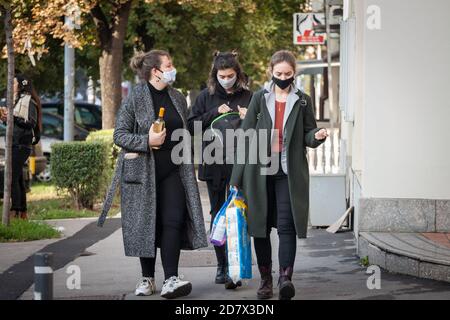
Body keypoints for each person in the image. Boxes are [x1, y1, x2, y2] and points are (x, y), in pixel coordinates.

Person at [98, 50, 208, 299]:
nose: (173, 68)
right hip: (143, 173)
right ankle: (147, 278)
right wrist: (146, 140)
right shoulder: (136, 98)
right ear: (155, 71)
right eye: (169, 65)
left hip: (174, 171)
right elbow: (120, 135)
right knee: (146, 224)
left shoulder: (177, 97)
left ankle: (171, 278)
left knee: (173, 221)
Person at [229, 50, 329, 300]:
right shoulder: (259, 99)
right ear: (271, 72)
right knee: (259, 227)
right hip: (259, 172)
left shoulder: (303, 100)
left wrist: (315, 137)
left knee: (287, 226)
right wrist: (236, 178)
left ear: (294, 73)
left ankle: (285, 278)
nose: (283, 78)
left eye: (287, 74)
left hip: (288, 171)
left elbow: (308, 133)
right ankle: (265, 280)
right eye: (278, 74)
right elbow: (246, 136)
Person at [187, 51, 252, 289]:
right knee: (218, 214)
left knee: (239, 215)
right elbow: (191, 125)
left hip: (241, 165)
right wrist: (215, 112)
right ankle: (222, 265)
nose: (227, 79)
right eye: (222, 75)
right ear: (215, 75)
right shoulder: (206, 97)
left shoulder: (248, 96)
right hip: (214, 163)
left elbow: (262, 126)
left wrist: (250, 117)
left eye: (231, 75)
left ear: (238, 73)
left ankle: (238, 267)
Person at [0, 74, 41, 220]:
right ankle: (22, 212)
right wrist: (6, 119)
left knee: (11, 177)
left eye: (14, 83)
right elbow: (15, 122)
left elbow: (31, 123)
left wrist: (12, 118)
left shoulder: (29, 101)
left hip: (22, 144)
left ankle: (15, 210)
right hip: (14, 143)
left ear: (21, 85)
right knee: (17, 178)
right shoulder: (16, 101)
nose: (11, 85)